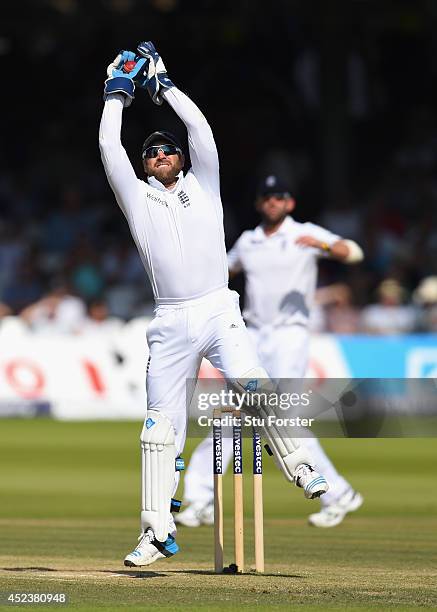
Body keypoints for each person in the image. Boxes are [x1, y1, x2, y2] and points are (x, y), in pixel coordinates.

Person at [99, 43, 329, 568]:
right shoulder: (135, 198)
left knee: (255, 385)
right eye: (152, 153)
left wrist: (166, 88)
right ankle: (155, 532)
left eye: (168, 151)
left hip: (217, 309)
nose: (161, 156)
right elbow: (110, 147)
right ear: (145, 164)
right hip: (170, 320)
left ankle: (300, 467)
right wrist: (115, 96)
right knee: (159, 429)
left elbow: (202, 133)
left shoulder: (205, 183)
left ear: (181, 159)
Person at [177, 175, 364, 529]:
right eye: (267, 197)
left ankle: (338, 493)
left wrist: (323, 247)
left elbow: (352, 252)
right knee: (233, 416)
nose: (272, 202)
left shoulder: (304, 233)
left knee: (282, 420)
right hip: (251, 335)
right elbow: (222, 269)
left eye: (279, 197)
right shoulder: (248, 241)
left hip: (289, 336)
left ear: (289, 203)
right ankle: (201, 499)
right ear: (259, 203)